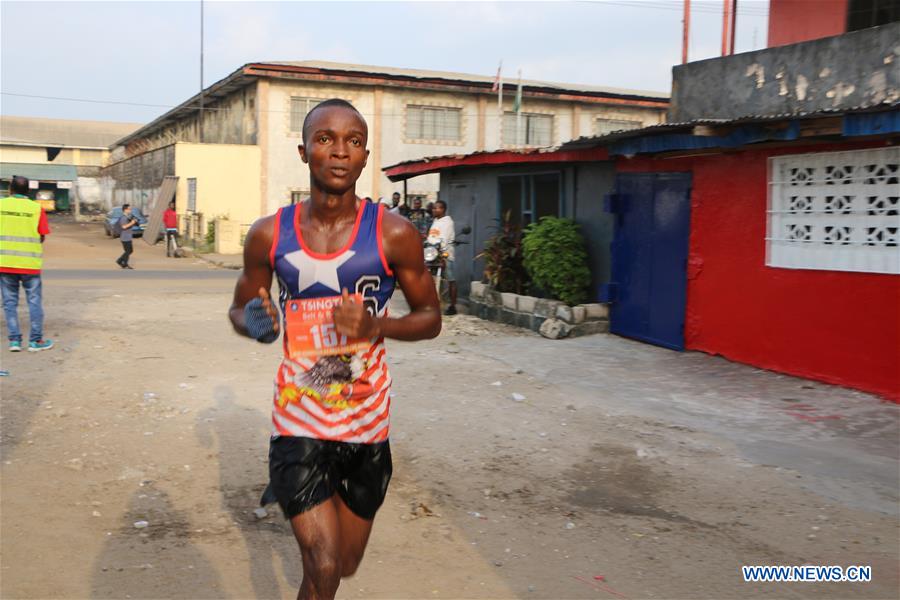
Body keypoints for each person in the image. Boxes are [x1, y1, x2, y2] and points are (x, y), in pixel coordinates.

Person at [228, 98, 441, 599]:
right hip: (298, 421)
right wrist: (255, 322)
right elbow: (241, 309)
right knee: (323, 566)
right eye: (325, 139)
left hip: (366, 423)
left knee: (343, 564)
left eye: (353, 141)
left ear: (366, 155)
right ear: (304, 152)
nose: (339, 152)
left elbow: (431, 319)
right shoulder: (268, 235)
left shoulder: (394, 233)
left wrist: (375, 327)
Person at [0, 175, 54, 352]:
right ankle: (35, 341)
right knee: (34, 301)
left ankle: (15, 341)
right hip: (30, 264)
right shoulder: (36, 209)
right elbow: (42, 235)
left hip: (5, 262)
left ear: (10, 190)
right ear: (28, 191)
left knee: (9, 303)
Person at [427, 200, 458, 315]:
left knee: (450, 279)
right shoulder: (436, 220)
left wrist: (441, 252)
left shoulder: (448, 222)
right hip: (432, 254)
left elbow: (443, 240)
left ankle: (453, 306)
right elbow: (432, 237)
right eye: (433, 208)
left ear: (443, 209)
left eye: (437, 208)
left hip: (445, 255)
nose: (434, 210)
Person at [116, 204, 138, 269]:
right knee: (128, 251)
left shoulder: (128, 217)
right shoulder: (123, 218)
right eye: (129, 209)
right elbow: (124, 226)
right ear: (125, 210)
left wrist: (134, 222)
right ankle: (121, 261)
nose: (130, 210)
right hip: (125, 237)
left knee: (129, 251)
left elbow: (130, 224)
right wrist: (132, 223)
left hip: (128, 236)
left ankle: (122, 262)